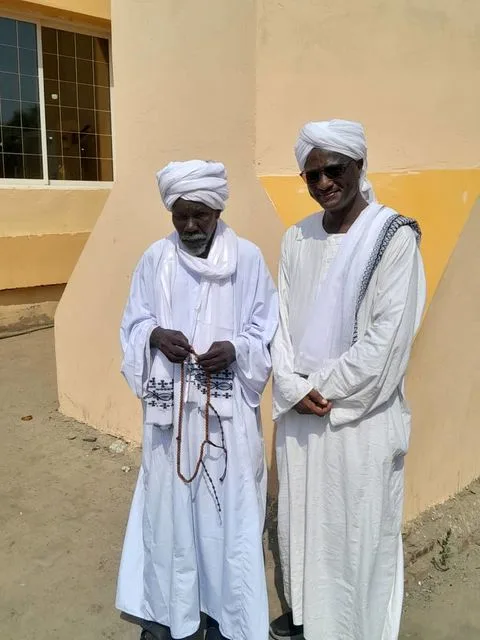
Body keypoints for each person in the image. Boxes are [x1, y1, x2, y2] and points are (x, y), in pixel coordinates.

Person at [270, 120, 426, 640]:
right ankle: (309, 620)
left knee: (356, 536)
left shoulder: (393, 237)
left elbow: (388, 339)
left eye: (334, 169)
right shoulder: (296, 237)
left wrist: (323, 388)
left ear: (359, 164)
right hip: (301, 415)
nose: (323, 183)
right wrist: (293, 387)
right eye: (311, 175)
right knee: (304, 527)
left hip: (357, 420)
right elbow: (278, 323)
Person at [116, 160, 279, 640]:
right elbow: (133, 322)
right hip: (170, 428)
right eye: (180, 215)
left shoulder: (247, 259)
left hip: (227, 427)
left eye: (200, 215)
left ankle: (227, 619)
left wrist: (237, 349)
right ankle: (173, 614)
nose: (189, 225)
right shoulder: (155, 259)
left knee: (227, 524)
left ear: (217, 211)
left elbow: (267, 331)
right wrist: (154, 336)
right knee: (171, 520)